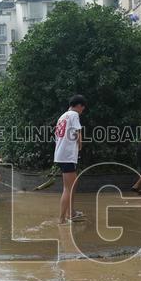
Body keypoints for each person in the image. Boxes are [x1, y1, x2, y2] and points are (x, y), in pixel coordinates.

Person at [54, 94, 86, 224]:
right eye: (83, 107)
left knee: (71, 185)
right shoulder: (74, 115)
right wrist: (80, 146)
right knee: (69, 188)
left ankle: (71, 213)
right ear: (79, 105)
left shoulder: (63, 116)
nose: (82, 110)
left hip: (61, 154)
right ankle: (62, 218)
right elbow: (78, 132)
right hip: (67, 155)